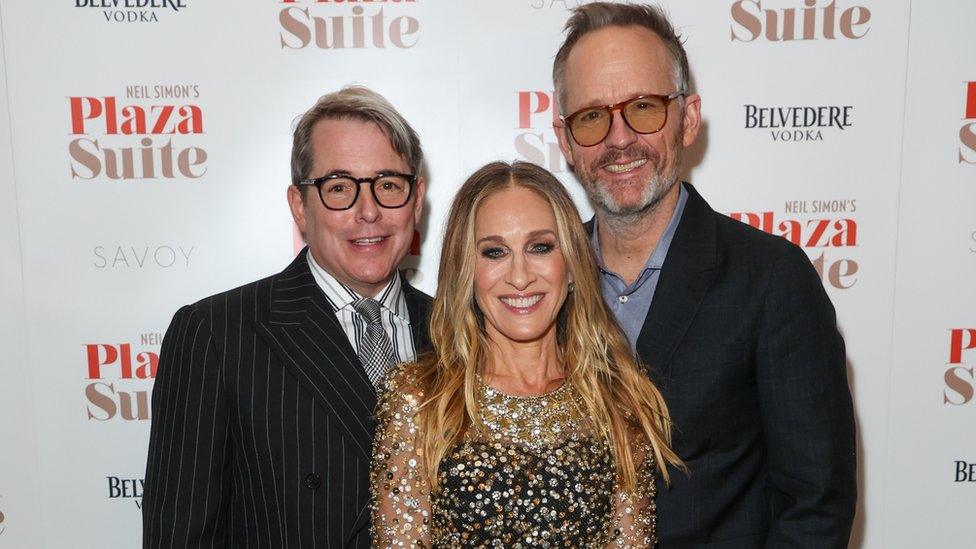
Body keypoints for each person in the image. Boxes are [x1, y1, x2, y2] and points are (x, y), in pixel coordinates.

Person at [550, 3, 857, 547]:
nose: (619, 139)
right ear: (566, 140)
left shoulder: (771, 280)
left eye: (643, 107)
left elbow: (815, 506)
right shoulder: (540, 282)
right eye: (593, 116)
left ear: (687, 118)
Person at [142, 86, 432, 548]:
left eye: (388, 185)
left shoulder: (461, 332)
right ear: (300, 205)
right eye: (339, 188)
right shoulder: (217, 335)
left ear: (416, 200)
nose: (369, 211)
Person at [369, 160, 681, 547]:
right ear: (466, 270)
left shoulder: (618, 401)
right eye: (494, 252)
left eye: (539, 247)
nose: (519, 276)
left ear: (570, 266)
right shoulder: (419, 399)